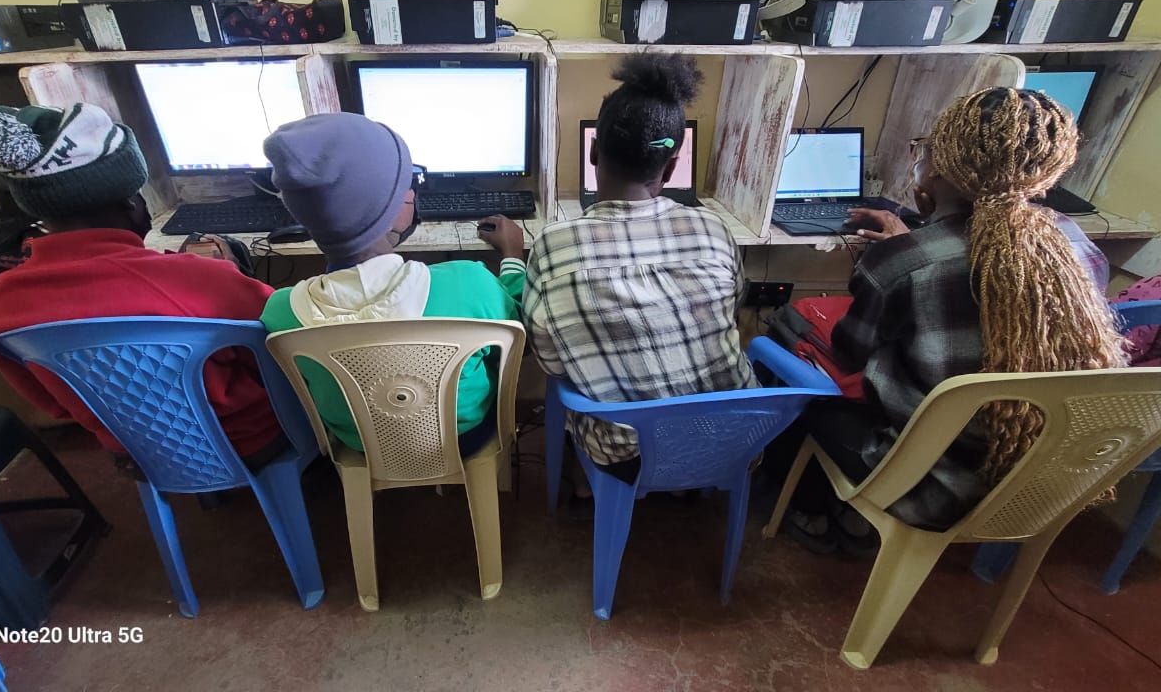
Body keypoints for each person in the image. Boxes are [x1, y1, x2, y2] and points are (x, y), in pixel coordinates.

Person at [764, 88, 1127, 552]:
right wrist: (913, 238)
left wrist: (896, 253)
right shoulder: (1073, 245)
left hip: (929, 482)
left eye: (921, 150)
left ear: (938, 169)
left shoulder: (905, 262)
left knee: (807, 386)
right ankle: (850, 521)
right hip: (1036, 481)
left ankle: (819, 514)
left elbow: (849, 351)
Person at [0, 103, 284, 468]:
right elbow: (285, 352)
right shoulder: (203, 279)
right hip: (248, 441)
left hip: (134, 453)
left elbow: (55, 405)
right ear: (132, 203)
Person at [499, 52, 755, 492]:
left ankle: (587, 483)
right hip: (735, 440)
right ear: (671, 167)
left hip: (629, 456)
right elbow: (734, 301)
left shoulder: (554, 245)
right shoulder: (713, 229)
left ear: (594, 150)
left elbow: (552, 360)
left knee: (579, 384)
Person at [260, 112, 524, 451]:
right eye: (407, 185)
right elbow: (522, 335)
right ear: (390, 209)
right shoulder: (471, 282)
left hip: (359, 444)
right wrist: (513, 256)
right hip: (463, 438)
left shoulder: (279, 312)